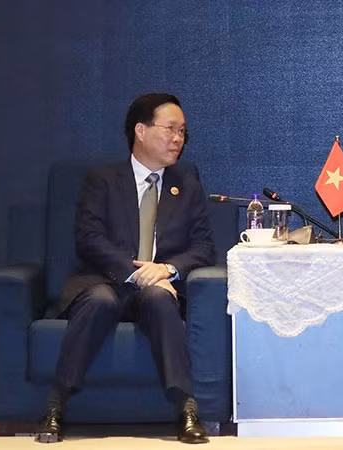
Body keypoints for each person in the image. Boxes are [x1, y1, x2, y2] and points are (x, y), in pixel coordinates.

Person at [36, 93, 215, 444]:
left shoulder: (187, 186)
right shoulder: (102, 180)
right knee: (101, 301)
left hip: (157, 287)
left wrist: (166, 269)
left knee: (161, 301)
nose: (178, 138)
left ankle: (187, 409)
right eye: (171, 129)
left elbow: (204, 247)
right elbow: (89, 238)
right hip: (104, 281)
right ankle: (55, 406)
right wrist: (136, 271)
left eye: (183, 132)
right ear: (141, 130)